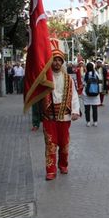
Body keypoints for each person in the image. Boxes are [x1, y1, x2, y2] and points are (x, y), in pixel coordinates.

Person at [40, 39, 80, 180]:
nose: (56, 63)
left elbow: (74, 95)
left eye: (59, 60)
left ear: (62, 62)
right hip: (49, 116)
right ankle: (50, 170)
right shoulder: (44, 78)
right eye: (54, 60)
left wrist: (75, 111)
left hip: (64, 115)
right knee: (50, 144)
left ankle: (63, 165)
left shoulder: (68, 79)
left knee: (64, 144)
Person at [83, 62, 101, 127]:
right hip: (95, 93)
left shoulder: (85, 74)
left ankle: (88, 122)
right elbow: (99, 80)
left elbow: (84, 83)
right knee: (94, 108)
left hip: (87, 93)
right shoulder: (95, 73)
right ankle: (95, 121)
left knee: (87, 109)